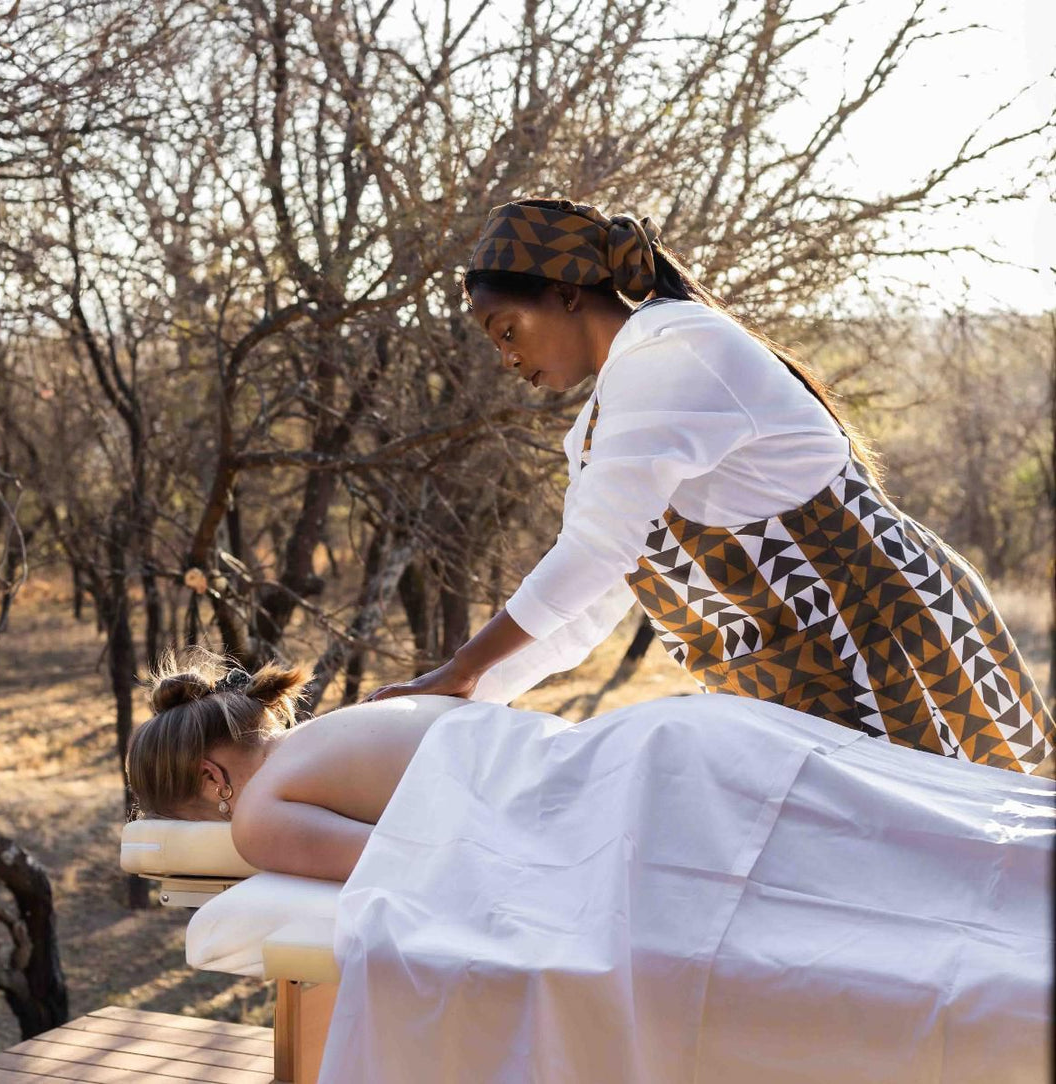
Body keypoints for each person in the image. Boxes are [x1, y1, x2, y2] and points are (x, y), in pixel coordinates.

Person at [365, 198, 1053, 775]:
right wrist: (460, 700)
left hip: (883, 649)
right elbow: (590, 604)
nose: (508, 358)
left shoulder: (673, 353)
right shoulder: (603, 423)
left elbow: (593, 555)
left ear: (566, 295)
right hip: (796, 682)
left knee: (953, 887)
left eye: (507, 330)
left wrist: (456, 669)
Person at [126, 649, 460, 881]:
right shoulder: (335, 725)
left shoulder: (257, 821)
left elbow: (418, 867)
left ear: (210, 778)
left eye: (206, 822)